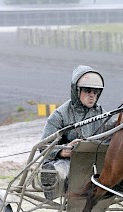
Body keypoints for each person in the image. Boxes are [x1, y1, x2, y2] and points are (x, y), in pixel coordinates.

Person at [40, 65, 106, 199]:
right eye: (88, 90)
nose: (92, 95)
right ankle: (52, 184)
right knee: (58, 173)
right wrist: (62, 152)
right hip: (66, 162)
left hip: (93, 163)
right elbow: (43, 146)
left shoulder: (102, 114)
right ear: (77, 90)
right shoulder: (60, 114)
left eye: (96, 91)